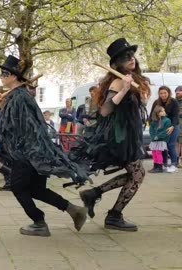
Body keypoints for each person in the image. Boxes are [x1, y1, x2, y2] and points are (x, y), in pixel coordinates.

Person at [0, 55, 88, 237]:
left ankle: (38, 222)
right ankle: (74, 210)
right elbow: (17, 120)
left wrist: (26, 154)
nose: (1, 76)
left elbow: (17, 127)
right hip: (35, 151)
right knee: (37, 190)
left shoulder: (19, 96)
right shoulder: (19, 96)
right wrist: (2, 104)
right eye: (1, 73)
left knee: (18, 187)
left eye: (4, 73)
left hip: (27, 152)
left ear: (14, 76)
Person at [77, 38, 150, 232]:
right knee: (137, 175)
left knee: (136, 175)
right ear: (117, 62)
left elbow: (131, 109)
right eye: (126, 56)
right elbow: (106, 110)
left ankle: (94, 194)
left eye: (132, 55)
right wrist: (125, 89)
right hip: (120, 139)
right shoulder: (118, 81)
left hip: (128, 137)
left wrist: (141, 99)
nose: (131, 58)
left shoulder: (130, 79)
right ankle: (113, 215)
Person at [150, 86, 179, 173]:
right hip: (161, 126)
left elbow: (175, 116)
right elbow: (152, 114)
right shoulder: (156, 102)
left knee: (170, 144)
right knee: (162, 146)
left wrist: (172, 126)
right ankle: (163, 164)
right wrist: (152, 124)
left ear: (168, 93)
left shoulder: (174, 102)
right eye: (161, 93)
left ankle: (174, 164)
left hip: (172, 125)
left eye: (164, 93)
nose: (163, 95)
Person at [148, 106, 171, 173]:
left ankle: (160, 166)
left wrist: (158, 136)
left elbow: (165, 131)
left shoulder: (167, 120)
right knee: (154, 152)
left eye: (164, 110)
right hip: (154, 140)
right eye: (161, 111)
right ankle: (155, 166)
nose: (164, 112)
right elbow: (151, 130)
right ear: (157, 113)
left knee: (158, 152)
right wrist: (153, 137)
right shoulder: (153, 122)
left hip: (161, 140)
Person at [175, 86, 182, 168]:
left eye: (179, 91)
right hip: (175, 126)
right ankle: (176, 160)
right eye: (176, 91)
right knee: (176, 143)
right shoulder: (174, 101)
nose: (177, 92)